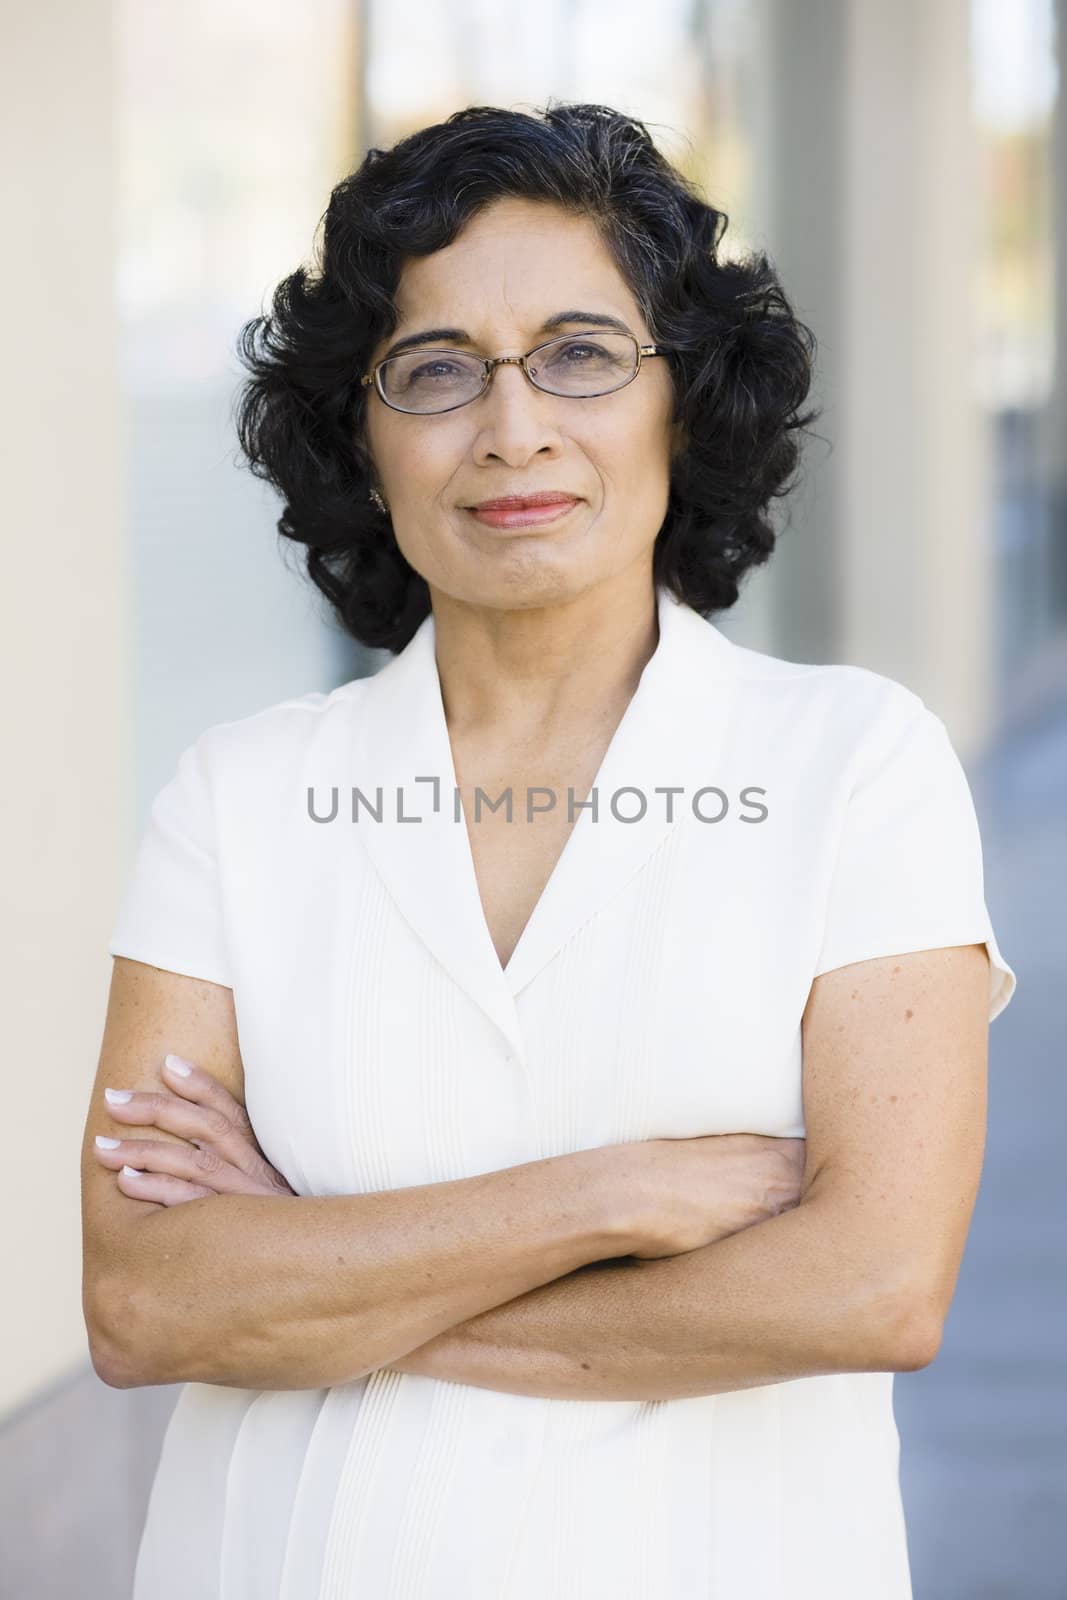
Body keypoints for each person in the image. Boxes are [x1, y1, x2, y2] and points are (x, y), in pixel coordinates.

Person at [81, 102, 1016, 1599]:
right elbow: (144, 1304)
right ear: (362, 435)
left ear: (683, 404)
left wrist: (316, 1289)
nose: (512, 427)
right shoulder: (237, 797)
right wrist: (604, 1200)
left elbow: (873, 1285)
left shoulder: (853, 766)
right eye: (436, 370)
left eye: (581, 354)